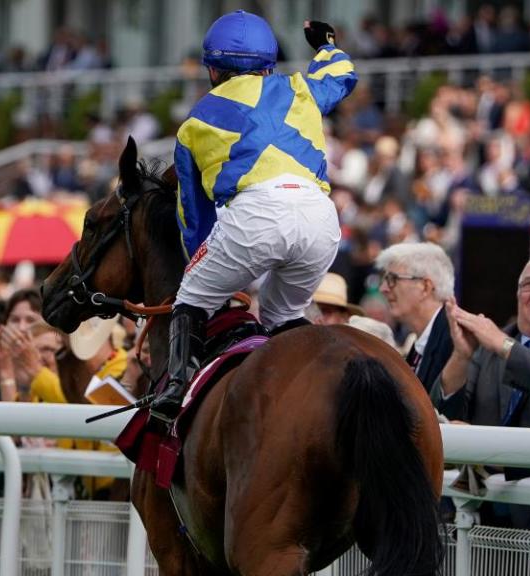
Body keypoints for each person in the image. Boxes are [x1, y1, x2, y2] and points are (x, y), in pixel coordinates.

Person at [150, 12, 357, 422]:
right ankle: (309, 387)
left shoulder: (193, 124)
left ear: (212, 70)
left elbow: (195, 220)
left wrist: (205, 269)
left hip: (255, 217)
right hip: (320, 219)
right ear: (269, 66)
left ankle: (175, 390)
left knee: (191, 295)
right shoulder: (300, 88)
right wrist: (325, 42)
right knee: (283, 316)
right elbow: (343, 72)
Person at [438, 256, 530, 427]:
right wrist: (461, 356)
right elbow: (445, 413)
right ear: (518, 296)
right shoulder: (487, 344)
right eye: (528, 284)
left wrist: (504, 345)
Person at [376, 242, 455, 393]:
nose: (383, 288)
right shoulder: (423, 341)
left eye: (392, 279)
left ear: (425, 287)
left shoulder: (454, 342)